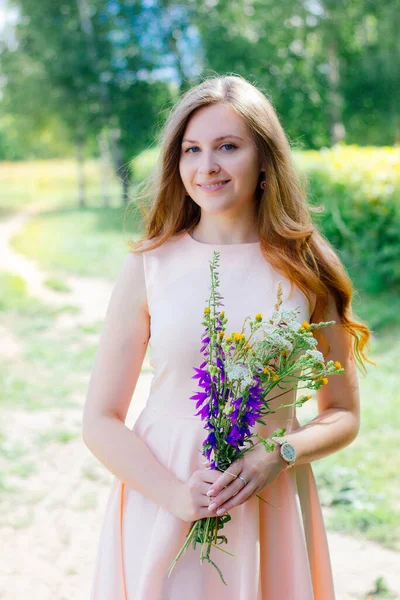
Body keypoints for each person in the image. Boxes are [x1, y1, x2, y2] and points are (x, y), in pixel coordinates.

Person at [82, 74, 372, 599]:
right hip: (164, 496)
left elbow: (344, 414)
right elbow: (99, 420)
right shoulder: (150, 265)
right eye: (191, 149)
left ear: (265, 159)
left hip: (271, 507)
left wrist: (279, 453)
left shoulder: (308, 266)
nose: (206, 166)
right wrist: (175, 496)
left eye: (228, 147)